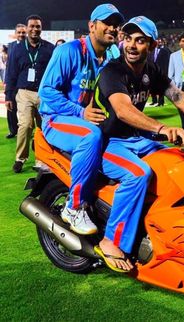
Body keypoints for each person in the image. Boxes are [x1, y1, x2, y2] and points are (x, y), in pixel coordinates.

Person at [92, 16, 184, 272]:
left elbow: (179, 96)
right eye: (129, 39)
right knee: (138, 174)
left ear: (152, 46)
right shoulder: (113, 70)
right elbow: (123, 110)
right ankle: (111, 240)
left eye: (140, 40)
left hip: (136, 140)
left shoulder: (150, 71)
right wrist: (162, 128)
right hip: (108, 143)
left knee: (177, 161)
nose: (132, 45)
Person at [38, 4, 124, 235]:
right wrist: (80, 112)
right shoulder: (69, 51)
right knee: (90, 135)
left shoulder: (112, 57)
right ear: (91, 25)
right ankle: (74, 206)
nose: (112, 28)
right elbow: (46, 91)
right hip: (57, 119)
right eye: (107, 23)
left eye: (116, 25)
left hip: (89, 121)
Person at [5, 15, 54, 173]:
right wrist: (8, 96)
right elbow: (11, 73)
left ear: (41, 28)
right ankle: (20, 158)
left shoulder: (49, 48)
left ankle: (42, 159)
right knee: (25, 125)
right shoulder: (17, 49)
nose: (34, 29)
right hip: (24, 92)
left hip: (43, 93)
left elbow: (55, 73)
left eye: (37, 26)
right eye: (31, 26)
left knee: (44, 127)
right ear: (26, 28)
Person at [5, 23, 27, 139]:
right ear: (15, 34)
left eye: (23, 32)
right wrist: (7, 81)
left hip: (25, 83)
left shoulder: (31, 45)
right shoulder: (11, 46)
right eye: (19, 32)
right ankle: (13, 130)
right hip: (13, 82)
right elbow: (9, 66)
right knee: (11, 106)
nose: (21, 34)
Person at [148, 37, 171, 106]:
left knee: (161, 87)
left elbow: (166, 62)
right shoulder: (152, 51)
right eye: (157, 41)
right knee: (152, 87)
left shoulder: (165, 51)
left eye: (160, 42)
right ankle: (154, 100)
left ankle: (161, 102)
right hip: (152, 71)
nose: (158, 43)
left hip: (161, 72)